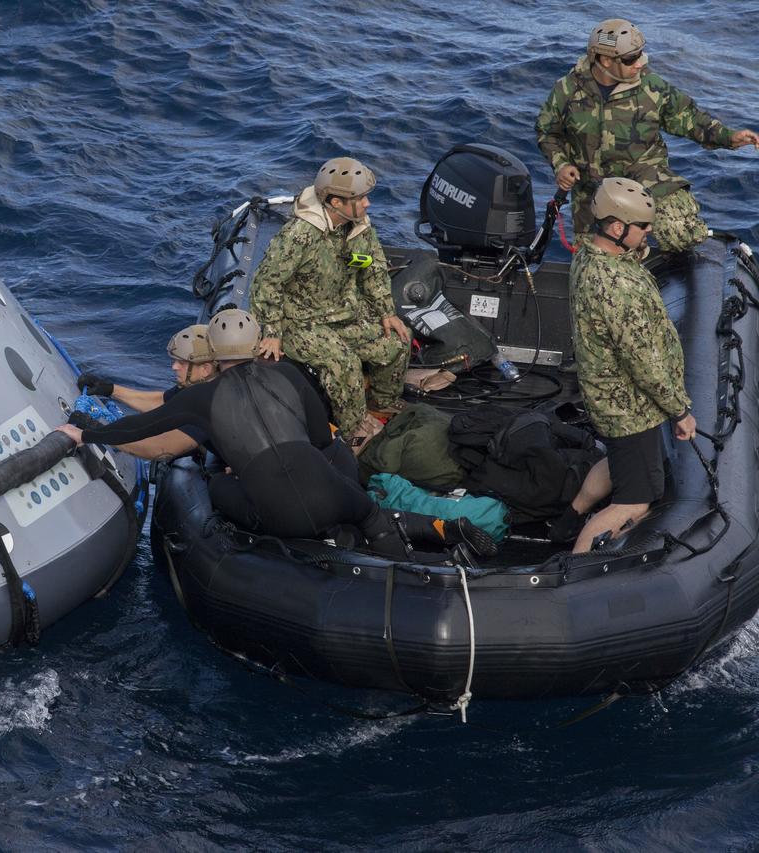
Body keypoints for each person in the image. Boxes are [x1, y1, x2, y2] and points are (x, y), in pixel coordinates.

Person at [56, 309, 495, 557]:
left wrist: (86, 434)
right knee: (368, 515)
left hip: (279, 513)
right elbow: (322, 441)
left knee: (217, 484)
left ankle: (327, 542)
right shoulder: (285, 372)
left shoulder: (203, 400)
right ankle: (430, 543)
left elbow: (146, 434)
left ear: (212, 357)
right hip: (335, 483)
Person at [553, 178, 696, 554]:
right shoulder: (618, 288)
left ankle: (569, 518)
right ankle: (575, 573)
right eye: (644, 227)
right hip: (629, 408)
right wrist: (679, 411)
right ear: (617, 228)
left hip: (606, 398)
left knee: (619, 462)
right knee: (634, 501)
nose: (651, 232)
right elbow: (645, 363)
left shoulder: (588, 254)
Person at [536, 18, 759, 252]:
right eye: (631, 58)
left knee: (679, 230)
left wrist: (728, 137)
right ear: (605, 60)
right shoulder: (567, 89)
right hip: (594, 193)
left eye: (641, 54)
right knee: (597, 267)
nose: (641, 63)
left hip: (646, 180)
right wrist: (561, 164)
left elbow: (689, 119)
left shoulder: (652, 86)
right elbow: (547, 131)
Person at [249, 156, 410, 434]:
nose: (367, 204)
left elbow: (373, 267)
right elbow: (266, 283)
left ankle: (383, 403)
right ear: (337, 202)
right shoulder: (300, 235)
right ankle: (354, 431)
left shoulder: (358, 227)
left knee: (396, 341)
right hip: (300, 323)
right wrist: (272, 331)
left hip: (343, 312)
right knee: (342, 364)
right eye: (360, 199)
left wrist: (387, 312)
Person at [74, 324, 217, 460]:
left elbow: (160, 449)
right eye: (175, 361)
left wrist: (93, 432)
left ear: (206, 369)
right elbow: (162, 402)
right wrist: (110, 389)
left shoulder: (211, 404)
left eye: (182, 363)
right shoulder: (201, 385)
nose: (174, 367)